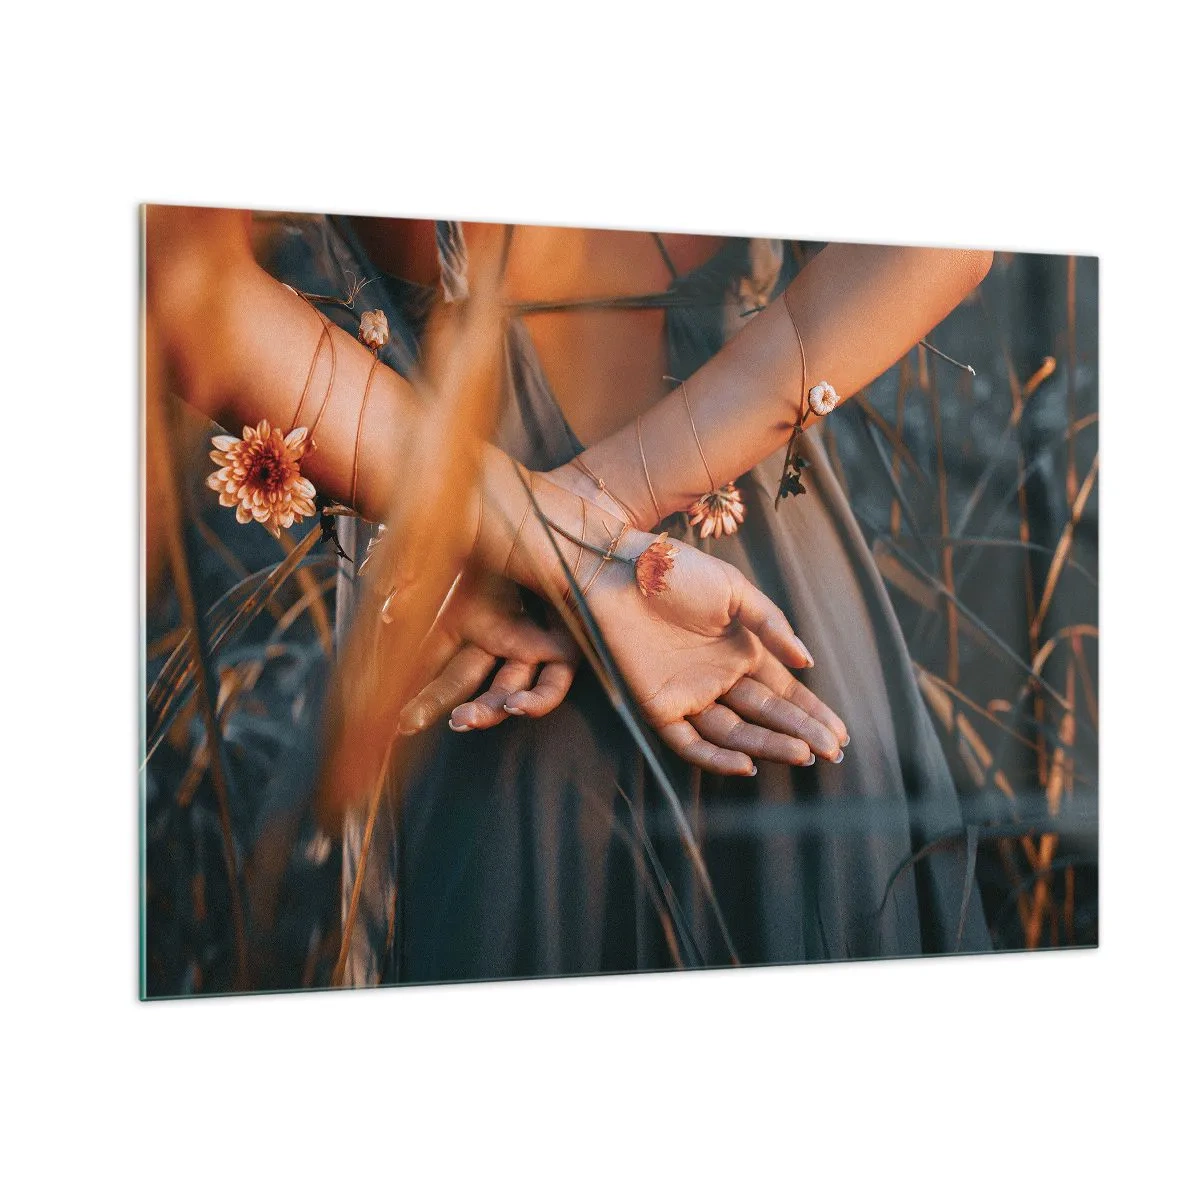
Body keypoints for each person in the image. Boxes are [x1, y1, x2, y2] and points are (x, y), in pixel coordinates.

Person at [146, 206, 993, 983]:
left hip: (493, 588)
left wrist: (561, 538)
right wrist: (582, 534)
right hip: (746, 591)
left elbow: (184, 285)